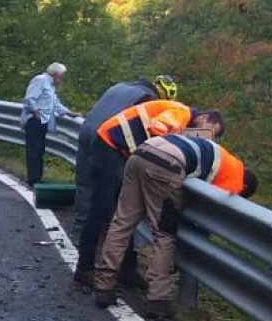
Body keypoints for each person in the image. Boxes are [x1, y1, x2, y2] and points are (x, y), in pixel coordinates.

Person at [93, 125, 257, 319]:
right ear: (245, 186)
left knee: (122, 222)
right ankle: (158, 299)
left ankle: (104, 286)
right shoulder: (236, 178)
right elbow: (214, 207)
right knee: (164, 233)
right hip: (166, 165)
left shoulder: (224, 157)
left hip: (141, 153)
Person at [71, 94, 206, 289]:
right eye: (204, 129)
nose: (198, 134)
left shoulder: (180, 114)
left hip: (116, 149)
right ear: (203, 119)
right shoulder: (181, 113)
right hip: (110, 147)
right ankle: (84, 269)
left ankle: (127, 269)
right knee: (102, 209)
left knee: (124, 211)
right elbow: (158, 128)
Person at [73, 75, 177, 225]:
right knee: (109, 188)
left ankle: (79, 228)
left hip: (86, 130)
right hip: (106, 138)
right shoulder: (148, 98)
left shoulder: (119, 86)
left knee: (85, 182)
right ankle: (104, 231)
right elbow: (142, 131)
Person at [20, 62, 80, 187]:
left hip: (43, 121)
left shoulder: (50, 85)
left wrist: (69, 113)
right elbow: (30, 98)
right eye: (61, 75)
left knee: (39, 150)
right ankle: (33, 179)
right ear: (56, 74)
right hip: (34, 120)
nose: (62, 78)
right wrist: (36, 111)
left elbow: (55, 104)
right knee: (34, 150)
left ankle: (37, 178)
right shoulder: (40, 80)